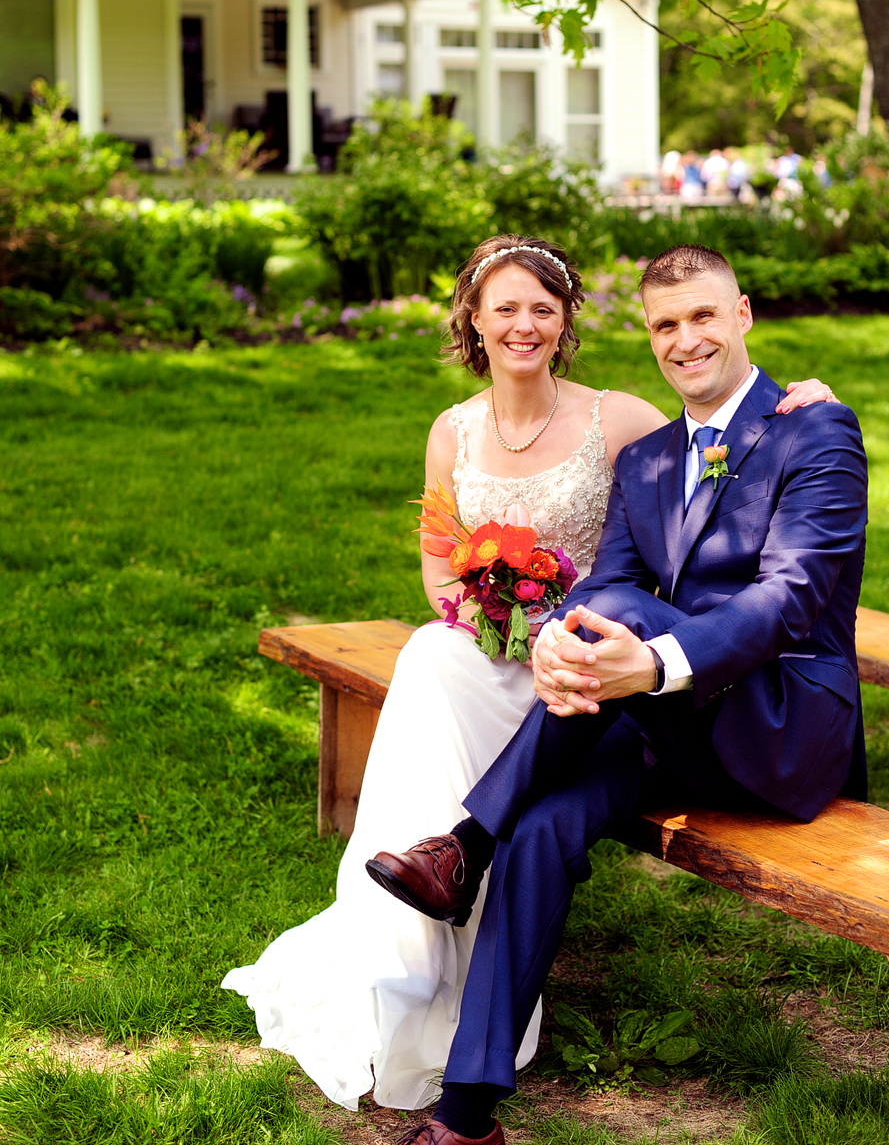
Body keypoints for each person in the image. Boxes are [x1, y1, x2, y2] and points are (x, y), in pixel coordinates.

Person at [222, 237, 835, 1116]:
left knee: (610, 619)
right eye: (667, 323)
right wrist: (559, 638)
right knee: (540, 819)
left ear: (743, 317)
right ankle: (467, 1109)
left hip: (753, 722)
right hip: (618, 703)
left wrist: (622, 649)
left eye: (705, 315)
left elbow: (791, 593)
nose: (685, 338)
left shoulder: (788, 426)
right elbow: (601, 575)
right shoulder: (652, 455)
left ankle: (463, 845)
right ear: (474, 319)